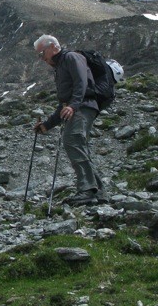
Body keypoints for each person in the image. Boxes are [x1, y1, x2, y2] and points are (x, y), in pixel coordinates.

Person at [33, 35, 105, 205]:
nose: (42, 58)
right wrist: (46, 125)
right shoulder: (60, 66)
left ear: (53, 47)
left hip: (83, 107)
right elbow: (63, 105)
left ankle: (87, 190)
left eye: (42, 53)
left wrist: (73, 105)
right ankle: (99, 192)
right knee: (78, 145)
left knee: (72, 141)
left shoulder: (71, 57)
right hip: (79, 106)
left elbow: (81, 83)